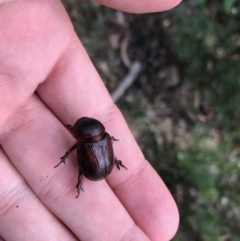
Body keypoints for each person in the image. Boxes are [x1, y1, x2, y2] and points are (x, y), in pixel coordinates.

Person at [0, 0, 181, 240]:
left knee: (78, 167)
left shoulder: (86, 142)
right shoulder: (99, 139)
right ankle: (99, 172)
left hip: (96, 168)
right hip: (99, 167)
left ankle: (86, 179)